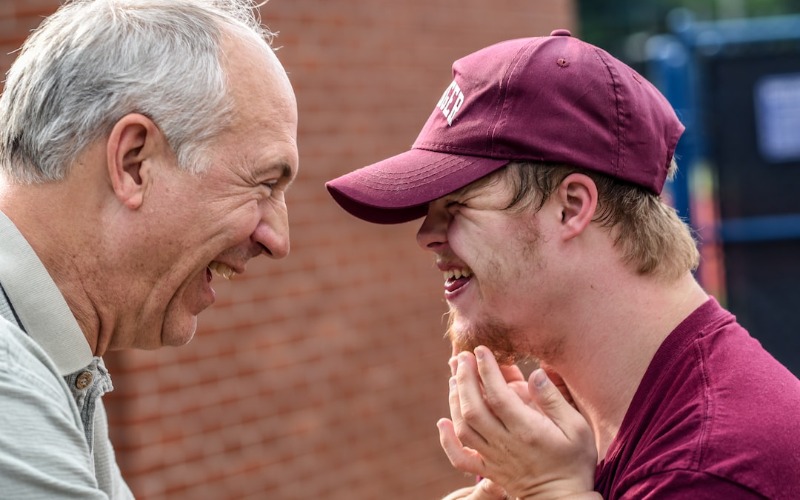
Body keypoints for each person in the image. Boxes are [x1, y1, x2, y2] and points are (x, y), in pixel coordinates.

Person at [326, 29, 800, 499]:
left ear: (571, 207)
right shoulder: (560, 431)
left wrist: (549, 492)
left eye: (456, 205)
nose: (426, 235)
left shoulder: (710, 468)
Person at [0, 0, 298, 497]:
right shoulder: (9, 381)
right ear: (134, 162)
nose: (278, 240)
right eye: (264, 184)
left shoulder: (55, 361)